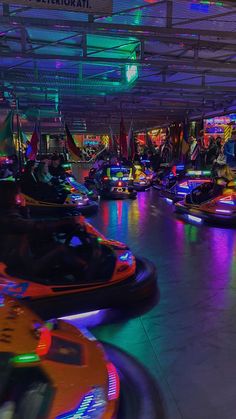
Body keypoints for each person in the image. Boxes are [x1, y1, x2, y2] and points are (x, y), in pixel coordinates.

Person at [0, 181, 88, 278]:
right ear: (9, 196)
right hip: (19, 266)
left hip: (21, 257)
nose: (21, 195)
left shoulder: (9, 211)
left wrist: (23, 208)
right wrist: (68, 221)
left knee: (54, 243)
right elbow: (35, 225)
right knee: (60, 249)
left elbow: (28, 226)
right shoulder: (7, 218)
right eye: (18, 193)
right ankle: (87, 273)